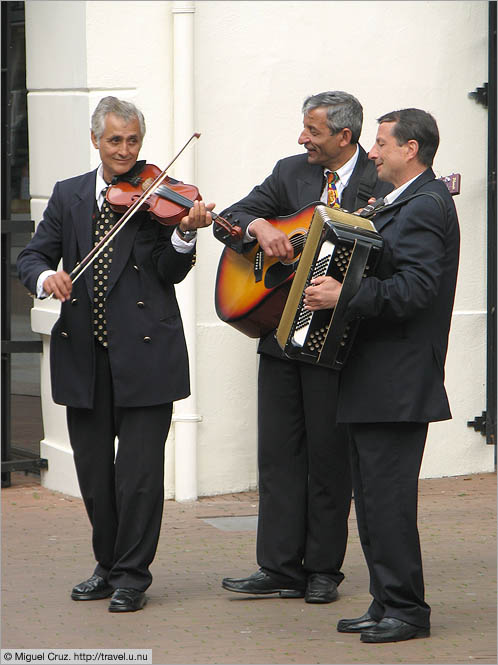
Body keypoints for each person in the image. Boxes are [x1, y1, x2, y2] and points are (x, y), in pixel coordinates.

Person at [17, 96, 213, 613]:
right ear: (95, 141)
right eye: (115, 140)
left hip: (148, 356)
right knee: (95, 477)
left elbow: (169, 272)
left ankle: (131, 576)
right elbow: (32, 255)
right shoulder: (69, 196)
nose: (125, 150)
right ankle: (107, 564)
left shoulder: (157, 200)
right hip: (85, 357)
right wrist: (45, 276)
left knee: (140, 478)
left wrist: (185, 235)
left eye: (132, 140)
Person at [217, 91, 392, 603]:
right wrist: (260, 225)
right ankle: (278, 566)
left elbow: (391, 257)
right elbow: (233, 214)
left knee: (327, 457)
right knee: (278, 456)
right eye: (303, 129)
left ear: (345, 136)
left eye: (312, 132)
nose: (301, 140)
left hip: (337, 340)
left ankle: (322, 570)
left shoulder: (379, 180)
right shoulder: (289, 171)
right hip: (278, 337)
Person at [303, 108, 460, 641]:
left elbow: (417, 291)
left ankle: (408, 612)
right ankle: (385, 600)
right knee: (370, 501)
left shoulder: (425, 205)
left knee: (389, 502)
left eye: (381, 143)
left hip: (396, 381)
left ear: (410, 149)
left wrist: (340, 295)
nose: (372, 152)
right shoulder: (400, 201)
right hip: (373, 377)